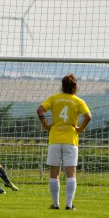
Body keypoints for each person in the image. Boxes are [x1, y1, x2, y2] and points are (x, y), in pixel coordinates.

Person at [37, 74, 91, 210]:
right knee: (70, 173)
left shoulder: (54, 98)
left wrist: (45, 124)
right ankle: (69, 204)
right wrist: (80, 129)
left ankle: (55, 204)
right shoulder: (78, 101)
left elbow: (40, 110)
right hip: (70, 140)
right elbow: (88, 116)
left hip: (54, 139)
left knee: (54, 173)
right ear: (75, 86)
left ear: (62, 85)